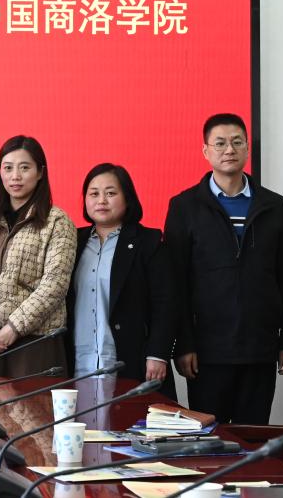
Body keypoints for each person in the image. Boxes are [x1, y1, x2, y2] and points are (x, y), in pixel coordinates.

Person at [165, 113, 283, 424]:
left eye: (237, 142)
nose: (229, 149)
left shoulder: (273, 205)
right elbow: (176, 284)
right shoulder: (184, 206)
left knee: (253, 436)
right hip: (206, 349)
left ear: (247, 149)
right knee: (209, 437)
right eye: (220, 143)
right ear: (206, 151)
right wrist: (183, 344)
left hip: (260, 345)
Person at [66, 163, 177, 399]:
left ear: (127, 198)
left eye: (111, 193)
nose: (101, 200)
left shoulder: (148, 242)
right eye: (94, 193)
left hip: (130, 357)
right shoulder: (72, 241)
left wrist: (157, 354)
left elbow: (166, 303)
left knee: (127, 419)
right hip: (79, 358)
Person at [0, 135, 76, 376]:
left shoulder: (56, 221)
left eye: (24, 168)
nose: (15, 176)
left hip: (36, 342)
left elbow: (55, 284)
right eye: (8, 168)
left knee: (33, 402)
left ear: (40, 172)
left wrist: (14, 327)